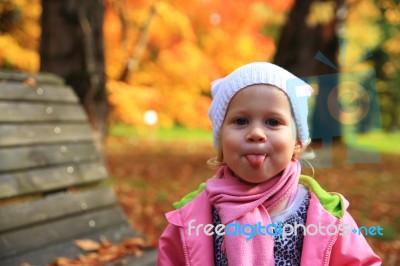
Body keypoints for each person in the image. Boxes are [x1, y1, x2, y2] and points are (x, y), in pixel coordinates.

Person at [156, 62, 381, 265]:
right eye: (240, 121)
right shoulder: (193, 216)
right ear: (221, 139)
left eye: (273, 122)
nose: (256, 133)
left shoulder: (324, 214)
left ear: (298, 142)